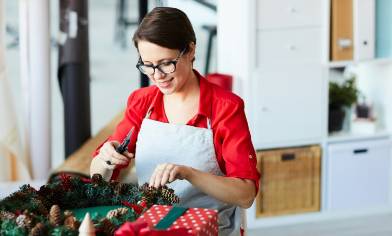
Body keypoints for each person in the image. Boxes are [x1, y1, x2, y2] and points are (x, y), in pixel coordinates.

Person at [90, 7, 260, 235]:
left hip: (213, 229)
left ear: (190, 50)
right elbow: (99, 177)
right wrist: (105, 159)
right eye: (147, 65)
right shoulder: (142, 102)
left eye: (165, 63)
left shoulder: (225, 108)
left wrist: (188, 173)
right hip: (153, 227)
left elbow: (246, 194)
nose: (157, 75)